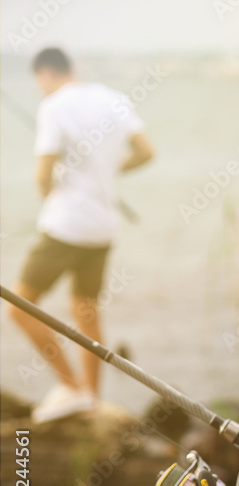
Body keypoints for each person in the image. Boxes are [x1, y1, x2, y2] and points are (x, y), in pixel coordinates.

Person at [9, 47, 154, 423]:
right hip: (102, 229)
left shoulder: (54, 105)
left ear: (45, 74)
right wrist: (108, 170)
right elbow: (146, 152)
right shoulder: (114, 100)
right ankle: (90, 397)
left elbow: (43, 175)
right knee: (87, 314)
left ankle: (70, 385)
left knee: (19, 307)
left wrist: (47, 188)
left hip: (66, 226)